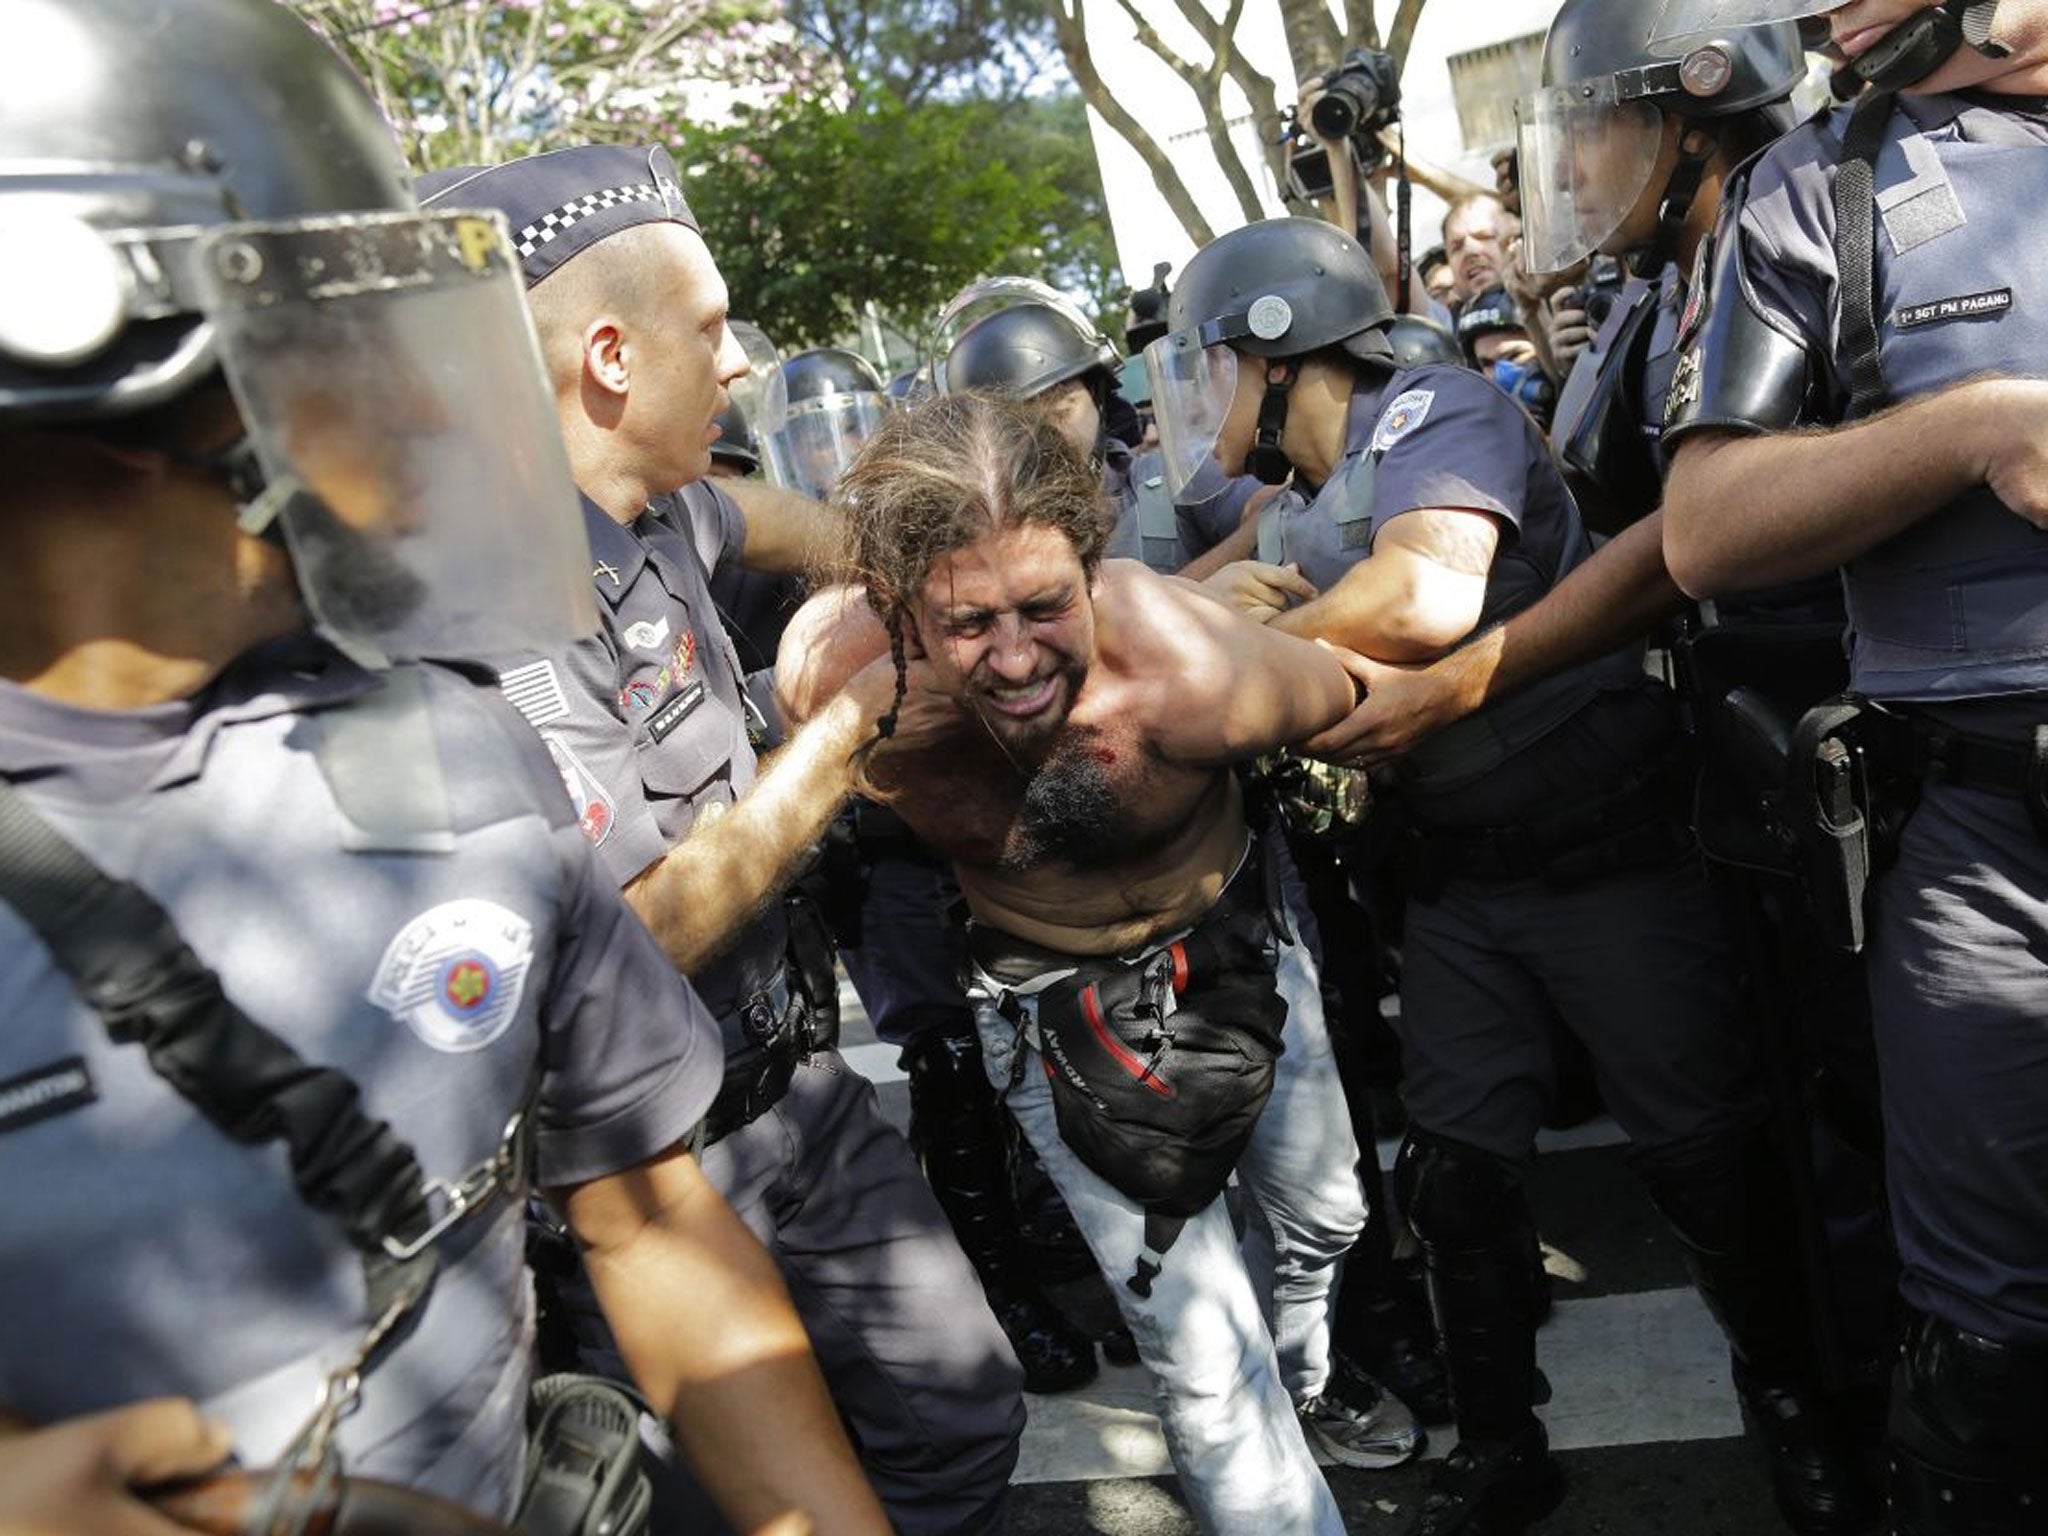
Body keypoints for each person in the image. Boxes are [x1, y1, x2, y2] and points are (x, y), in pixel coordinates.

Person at [0, 5, 887, 1535]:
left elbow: (658, 1222)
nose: (417, 414)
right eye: (333, 355)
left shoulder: (446, 750)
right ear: (104, 353)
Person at [1156, 213, 1842, 1536]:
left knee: (1709, 1163)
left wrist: (1263, 647)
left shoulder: (1438, 411)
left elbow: (1424, 597)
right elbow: (1207, 601)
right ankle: (1498, 1442)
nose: (1206, 396)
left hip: (1605, 858)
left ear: (1280, 347)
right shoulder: (1303, 503)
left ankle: (1803, 1411)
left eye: (1219, 361)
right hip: (1457, 887)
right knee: (1458, 1181)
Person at [417, 147, 1024, 1536]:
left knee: (962, 1409)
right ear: (612, 361)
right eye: (709, 331)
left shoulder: (666, 507)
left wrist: (951, 567)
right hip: (654, 1173)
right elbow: (641, 929)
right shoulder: (495, 604)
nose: (740, 366)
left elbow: (803, 523)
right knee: (734, 1506)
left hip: (796, 1094)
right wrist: (845, 732)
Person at [778, 391, 1423, 1536]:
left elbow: (1363, 706)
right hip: (1047, 1009)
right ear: (902, 616)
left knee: (1325, 1220)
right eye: (969, 623)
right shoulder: (852, 702)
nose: (1017, 658)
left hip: (1238, 958)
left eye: (1044, 606)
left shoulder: (1192, 671)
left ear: (1092, 568)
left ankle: (1311, 1378)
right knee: (1203, 1355)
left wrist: (1233, 612)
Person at [1654, 0, 2048, 1528]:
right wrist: (1972, 432)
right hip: (1985, 854)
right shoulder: (1821, 184)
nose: (1819, 9)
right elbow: (1705, 527)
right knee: (1993, 1348)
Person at [940, 288, 1184, 573]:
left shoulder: (1170, 480)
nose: (1052, 437)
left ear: (1097, 396)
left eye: (1062, 410)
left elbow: (1248, 516)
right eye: (1023, 425)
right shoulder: (974, 544)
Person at [1439, 192, 1516, 307]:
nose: (1470, 250)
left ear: (1514, 241)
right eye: (1457, 247)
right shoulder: (1440, 322)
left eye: (1485, 237)